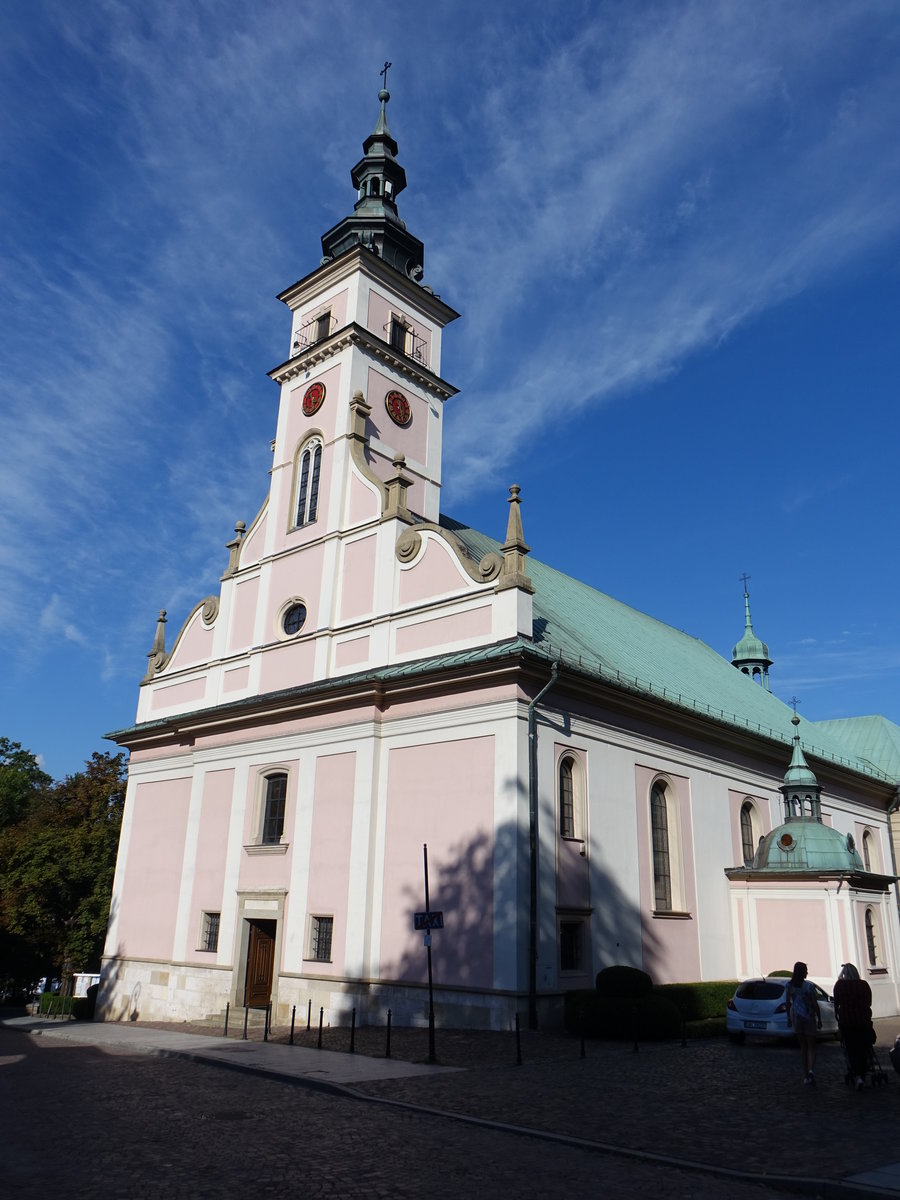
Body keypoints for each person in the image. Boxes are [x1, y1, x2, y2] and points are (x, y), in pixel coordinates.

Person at [833, 963, 873, 1090]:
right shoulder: (863, 985)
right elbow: (869, 1002)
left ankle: (858, 1075)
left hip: (847, 1021)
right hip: (863, 1020)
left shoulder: (840, 985)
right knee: (863, 1047)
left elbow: (836, 1003)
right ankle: (863, 1072)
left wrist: (838, 1016)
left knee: (851, 1049)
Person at [787, 961, 822, 1084]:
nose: (807, 972)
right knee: (811, 1047)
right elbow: (814, 1004)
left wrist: (789, 1018)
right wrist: (819, 1018)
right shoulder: (809, 987)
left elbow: (787, 1003)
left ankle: (805, 1075)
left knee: (803, 1048)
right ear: (802, 972)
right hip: (809, 1018)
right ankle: (811, 1070)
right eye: (806, 970)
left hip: (797, 1018)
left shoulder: (789, 986)